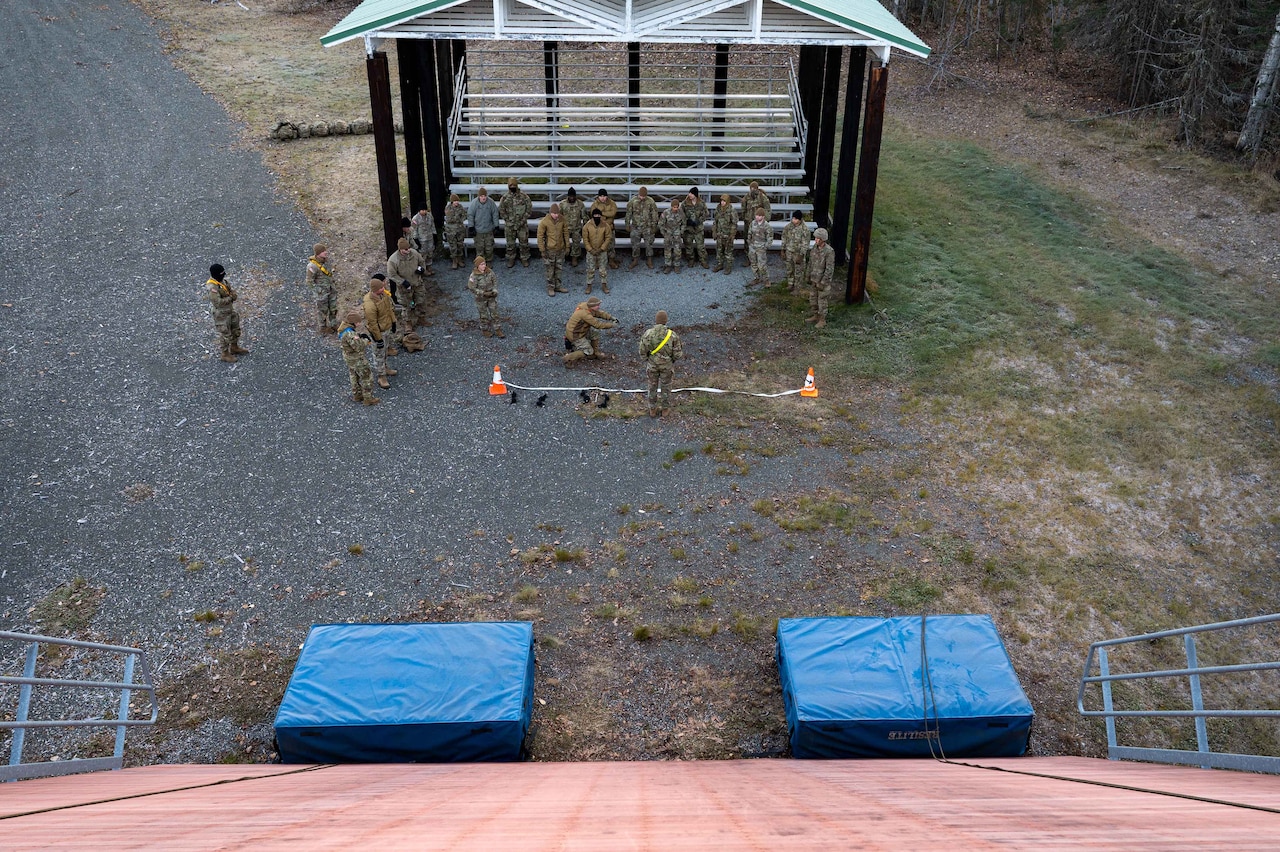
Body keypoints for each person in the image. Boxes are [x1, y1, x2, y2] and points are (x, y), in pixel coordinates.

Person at [638, 310, 683, 418]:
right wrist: (671, 360)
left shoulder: (648, 334)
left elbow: (642, 351)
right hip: (666, 366)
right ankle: (665, 409)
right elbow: (677, 353)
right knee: (666, 387)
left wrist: (648, 360)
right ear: (665, 321)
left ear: (656, 320)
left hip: (652, 365)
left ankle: (652, 409)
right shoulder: (672, 335)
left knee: (652, 386)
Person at [206, 263, 248, 363]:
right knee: (225, 334)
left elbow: (229, 290)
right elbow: (218, 302)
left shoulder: (223, 281)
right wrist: (230, 298)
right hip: (221, 314)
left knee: (235, 329)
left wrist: (233, 294)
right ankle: (225, 354)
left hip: (229, 310)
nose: (223, 275)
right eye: (221, 274)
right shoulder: (213, 287)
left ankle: (234, 347)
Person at [337, 309, 379, 406]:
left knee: (353, 375)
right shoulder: (350, 334)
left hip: (348, 357)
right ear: (354, 322)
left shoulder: (343, 328)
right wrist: (365, 341)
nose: (359, 324)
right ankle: (368, 399)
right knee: (366, 377)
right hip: (357, 359)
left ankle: (357, 395)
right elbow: (358, 346)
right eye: (358, 322)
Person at [362, 274, 397, 389]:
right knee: (378, 354)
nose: (384, 288)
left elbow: (389, 309)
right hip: (379, 332)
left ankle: (385, 368)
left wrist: (393, 322)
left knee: (385, 351)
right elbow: (372, 324)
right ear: (376, 290)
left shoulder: (383, 295)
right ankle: (381, 376)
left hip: (386, 327)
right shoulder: (370, 304)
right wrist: (378, 338)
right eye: (382, 287)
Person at [563, 296, 617, 367]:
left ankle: (595, 353)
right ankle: (568, 358)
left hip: (580, 330)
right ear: (592, 306)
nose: (598, 307)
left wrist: (610, 317)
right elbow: (597, 324)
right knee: (588, 350)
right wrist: (611, 325)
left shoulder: (587, 307)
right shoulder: (585, 314)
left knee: (595, 333)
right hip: (575, 335)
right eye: (597, 305)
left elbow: (598, 313)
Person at [386, 238, 427, 328]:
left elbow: (422, 262)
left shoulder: (414, 253)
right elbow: (391, 274)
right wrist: (402, 282)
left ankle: (421, 319)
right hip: (404, 287)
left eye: (408, 248)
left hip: (417, 283)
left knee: (421, 301)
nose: (408, 250)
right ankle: (408, 324)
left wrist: (422, 269)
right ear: (400, 249)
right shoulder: (393, 260)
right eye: (405, 249)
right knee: (406, 305)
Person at [537, 202, 570, 297]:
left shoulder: (562, 220)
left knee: (559, 268)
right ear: (550, 212)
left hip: (560, 248)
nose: (556, 215)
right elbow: (540, 236)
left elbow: (566, 233)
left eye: (557, 213)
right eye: (554, 213)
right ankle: (550, 287)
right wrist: (542, 250)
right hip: (549, 249)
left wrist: (567, 246)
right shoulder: (544, 222)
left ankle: (558, 286)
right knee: (550, 269)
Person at [498, 178, 533, 267]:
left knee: (524, 243)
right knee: (510, 243)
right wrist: (508, 220)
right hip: (510, 225)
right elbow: (501, 210)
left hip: (522, 224)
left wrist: (522, 220)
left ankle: (524, 258)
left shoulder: (524, 197)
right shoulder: (505, 198)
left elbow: (529, 209)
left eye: (514, 185)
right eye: (511, 186)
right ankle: (511, 258)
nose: (512, 187)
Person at [806, 227, 836, 329]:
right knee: (813, 298)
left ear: (823, 239)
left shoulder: (829, 251)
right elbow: (810, 263)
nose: (816, 240)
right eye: (816, 238)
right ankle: (815, 315)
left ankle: (822, 320)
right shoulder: (814, 248)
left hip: (822, 282)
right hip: (814, 279)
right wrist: (808, 275)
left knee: (822, 301)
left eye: (818, 238)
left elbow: (829, 269)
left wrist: (823, 282)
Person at [466, 256, 503, 338]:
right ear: (477, 265)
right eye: (482, 264)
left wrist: (495, 290)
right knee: (483, 315)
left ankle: (498, 329)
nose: (484, 266)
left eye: (484, 263)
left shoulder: (489, 272)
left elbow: (495, 281)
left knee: (495, 313)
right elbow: (472, 287)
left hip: (491, 297)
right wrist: (482, 293)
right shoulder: (474, 275)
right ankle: (485, 330)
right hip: (481, 299)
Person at [305, 243, 338, 334]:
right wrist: (318, 291)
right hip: (322, 293)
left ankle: (333, 324)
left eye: (325, 250)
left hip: (331, 289)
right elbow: (309, 282)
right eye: (323, 251)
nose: (325, 252)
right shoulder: (312, 266)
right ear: (318, 253)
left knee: (333, 308)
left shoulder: (326, 261)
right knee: (322, 311)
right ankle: (323, 328)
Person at [625, 186, 659, 269]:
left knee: (649, 244)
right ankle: (635, 260)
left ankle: (649, 259)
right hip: (636, 226)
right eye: (641, 196)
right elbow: (628, 213)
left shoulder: (650, 201)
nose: (642, 198)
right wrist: (627, 224)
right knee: (635, 244)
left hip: (647, 227)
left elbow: (654, 214)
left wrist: (654, 225)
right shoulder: (633, 201)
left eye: (644, 196)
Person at [740, 181, 771, 265]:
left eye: (754, 188)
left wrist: (765, 221)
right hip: (749, 222)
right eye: (751, 188)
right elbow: (743, 209)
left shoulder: (762, 197)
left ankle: (760, 258)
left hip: (759, 223)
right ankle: (749, 258)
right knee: (748, 240)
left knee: (760, 240)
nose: (752, 190)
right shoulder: (746, 197)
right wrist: (745, 218)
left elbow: (767, 209)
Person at [582, 208, 612, 294]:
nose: (597, 217)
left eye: (598, 215)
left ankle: (604, 285)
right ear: (592, 216)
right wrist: (590, 249)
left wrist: (602, 248)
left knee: (603, 269)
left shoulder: (605, 225)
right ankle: (589, 285)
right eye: (595, 215)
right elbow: (585, 239)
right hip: (591, 251)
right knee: (590, 269)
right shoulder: (587, 226)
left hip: (602, 251)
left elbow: (608, 238)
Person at [467, 187, 499, 264]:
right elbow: (470, 215)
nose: (483, 198)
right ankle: (480, 263)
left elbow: (495, 214)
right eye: (481, 196)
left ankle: (489, 261)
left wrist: (496, 225)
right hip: (478, 231)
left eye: (485, 196)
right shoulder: (474, 203)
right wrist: (471, 227)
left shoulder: (491, 202)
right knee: (479, 248)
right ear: (479, 196)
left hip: (489, 230)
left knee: (489, 247)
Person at [590, 188, 619, 269]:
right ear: (598, 196)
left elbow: (613, 213)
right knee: (598, 245)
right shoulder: (595, 204)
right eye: (601, 196)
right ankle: (598, 262)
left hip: (610, 227)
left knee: (611, 245)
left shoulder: (612, 203)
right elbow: (594, 215)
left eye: (604, 196)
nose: (602, 198)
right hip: (599, 228)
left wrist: (601, 213)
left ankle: (611, 260)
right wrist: (605, 216)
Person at [781, 211, 810, 293]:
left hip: (798, 253)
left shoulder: (805, 230)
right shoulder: (788, 227)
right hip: (789, 251)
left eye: (795, 219)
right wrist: (782, 250)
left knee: (799, 271)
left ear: (800, 220)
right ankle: (790, 284)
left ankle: (798, 288)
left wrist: (801, 255)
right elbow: (784, 238)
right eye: (793, 218)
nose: (793, 220)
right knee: (789, 269)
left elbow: (805, 243)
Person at [558, 187, 586, 268]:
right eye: (570, 196)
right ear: (568, 196)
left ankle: (574, 257)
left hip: (576, 228)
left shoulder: (580, 204)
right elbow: (558, 216)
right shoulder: (562, 204)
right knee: (562, 243)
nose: (572, 198)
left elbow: (584, 216)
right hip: (565, 228)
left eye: (573, 196)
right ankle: (562, 257)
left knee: (576, 243)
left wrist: (585, 228)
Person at [682, 188, 709, 269]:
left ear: (695, 195)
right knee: (688, 246)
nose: (690, 195)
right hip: (688, 229)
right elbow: (680, 214)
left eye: (692, 193)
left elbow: (706, 213)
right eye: (689, 193)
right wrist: (687, 221)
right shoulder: (684, 203)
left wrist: (699, 220)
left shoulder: (701, 203)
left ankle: (703, 261)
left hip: (698, 229)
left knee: (701, 246)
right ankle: (691, 260)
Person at [747, 208, 772, 286]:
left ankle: (766, 279)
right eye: (756, 215)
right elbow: (749, 233)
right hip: (753, 246)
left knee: (762, 265)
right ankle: (756, 278)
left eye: (759, 215)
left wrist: (766, 246)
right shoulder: (753, 223)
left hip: (761, 247)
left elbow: (770, 237)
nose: (757, 217)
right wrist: (749, 242)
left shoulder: (766, 225)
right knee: (753, 263)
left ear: (763, 216)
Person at [711, 194, 736, 274]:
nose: (722, 202)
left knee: (728, 251)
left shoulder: (731, 210)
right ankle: (720, 264)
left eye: (724, 201)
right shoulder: (718, 209)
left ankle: (728, 267)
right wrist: (714, 231)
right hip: (719, 234)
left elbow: (734, 223)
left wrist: (732, 234)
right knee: (719, 251)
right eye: (721, 201)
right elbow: (715, 221)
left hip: (727, 234)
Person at [659, 198, 684, 273]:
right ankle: (668, 265)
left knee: (677, 250)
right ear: (671, 206)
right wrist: (663, 232)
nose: (675, 209)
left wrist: (681, 231)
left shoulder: (681, 213)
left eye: (677, 207)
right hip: (668, 233)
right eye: (674, 207)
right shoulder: (666, 212)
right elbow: (661, 223)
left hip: (677, 234)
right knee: (667, 250)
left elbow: (684, 223)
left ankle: (677, 265)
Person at [410, 206, 437, 275]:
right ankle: (423, 269)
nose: (424, 211)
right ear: (419, 210)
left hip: (430, 238)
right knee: (423, 255)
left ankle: (429, 267)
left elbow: (432, 226)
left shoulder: (429, 216)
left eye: (425, 210)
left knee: (430, 253)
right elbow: (414, 230)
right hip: (422, 239)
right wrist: (416, 240)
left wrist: (434, 234)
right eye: (422, 210)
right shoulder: (415, 218)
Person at [443, 193, 468, 269]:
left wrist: (459, 219)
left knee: (460, 245)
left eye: (457, 201)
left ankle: (460, 259)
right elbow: (450, 219)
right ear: (452, 202)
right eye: (455, 201)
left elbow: (464, 215)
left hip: (460, 230)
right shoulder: (448, 208)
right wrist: (458, 219)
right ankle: (454, 260)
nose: (456, 202)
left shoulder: (460, 207)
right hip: (451, 230)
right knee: (453, 246)